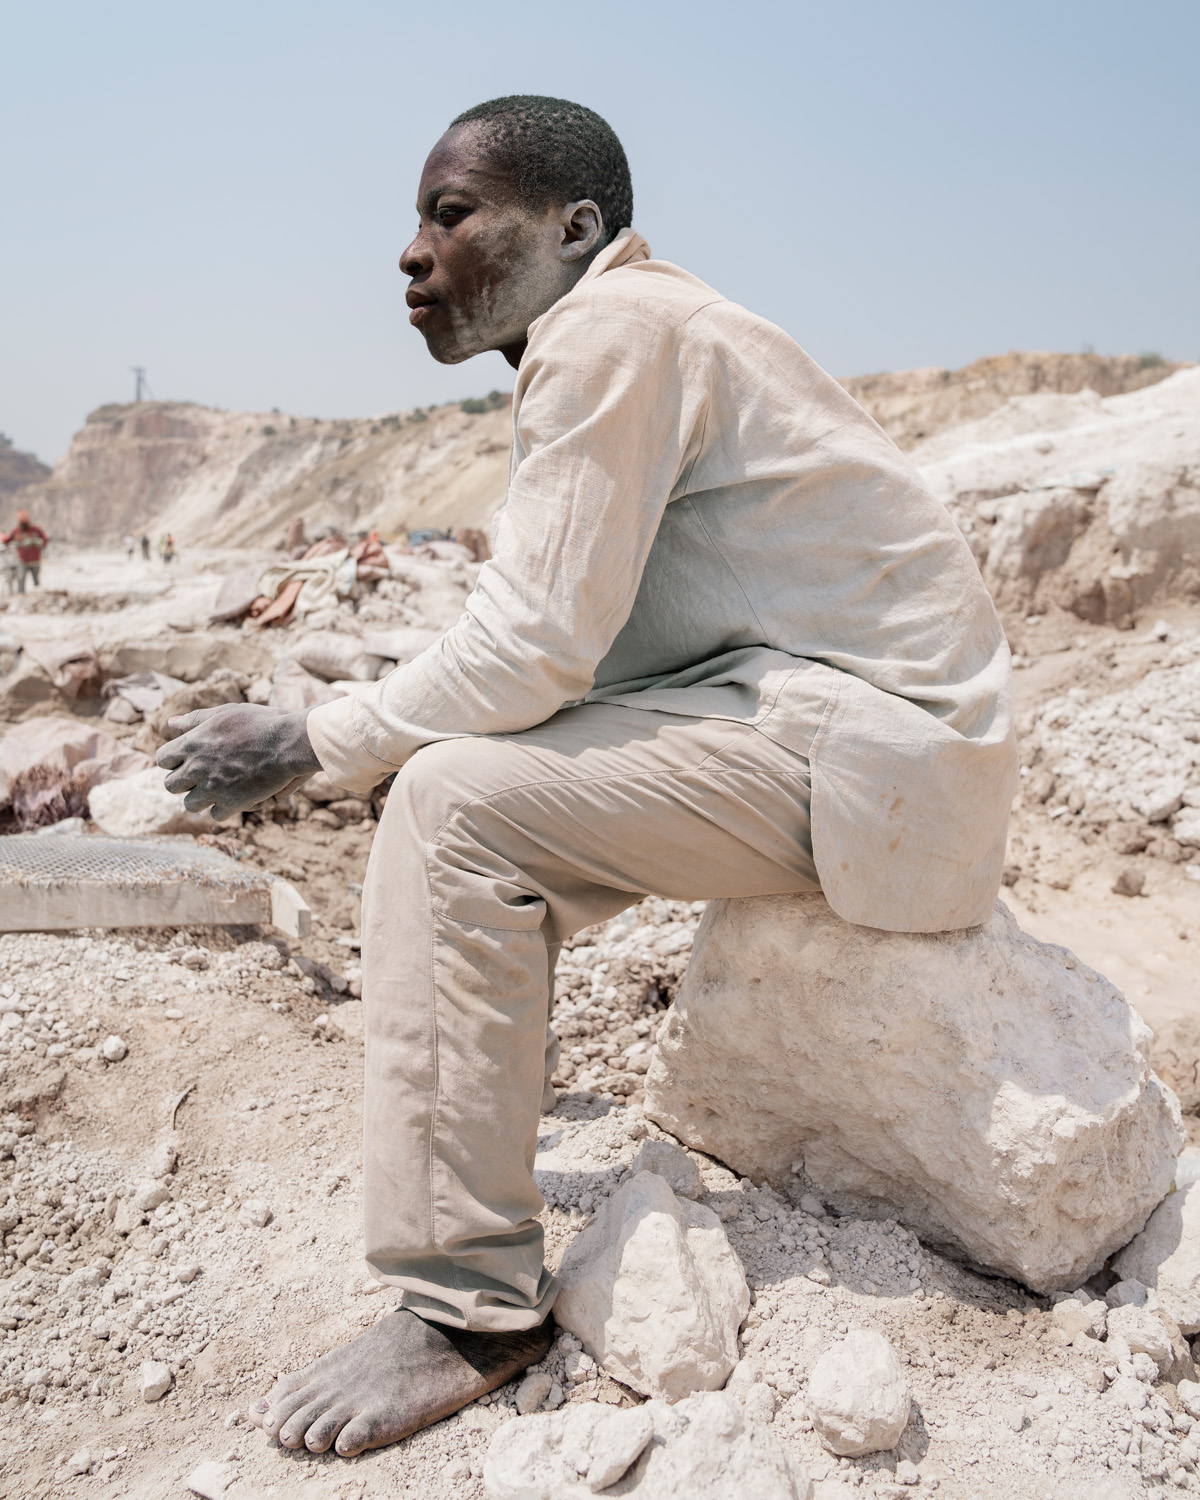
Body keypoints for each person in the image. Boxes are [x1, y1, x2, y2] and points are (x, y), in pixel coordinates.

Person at [157, 96, 1017, 1458]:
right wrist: (374, 720)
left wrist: (317, 737)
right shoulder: (631, 335)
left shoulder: (611, 331)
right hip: (837, 735)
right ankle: (484, 1105)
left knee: (450, 808)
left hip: (874, 756)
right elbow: (552, 641)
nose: (412, 252)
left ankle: (464, 1309)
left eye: (452, 215)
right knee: (461, 772)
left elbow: (535, 647)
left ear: (575, 228)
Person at [1, 509, 48, 592]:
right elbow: (7, 540)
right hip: (23, 560)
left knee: (36, 580)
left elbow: (44, 539)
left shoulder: (35, 529)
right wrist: (3, 540)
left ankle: (37, 594)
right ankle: (21, 594)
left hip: (35, 560)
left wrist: (36, 542)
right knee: (21, 578)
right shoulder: (16, 531)